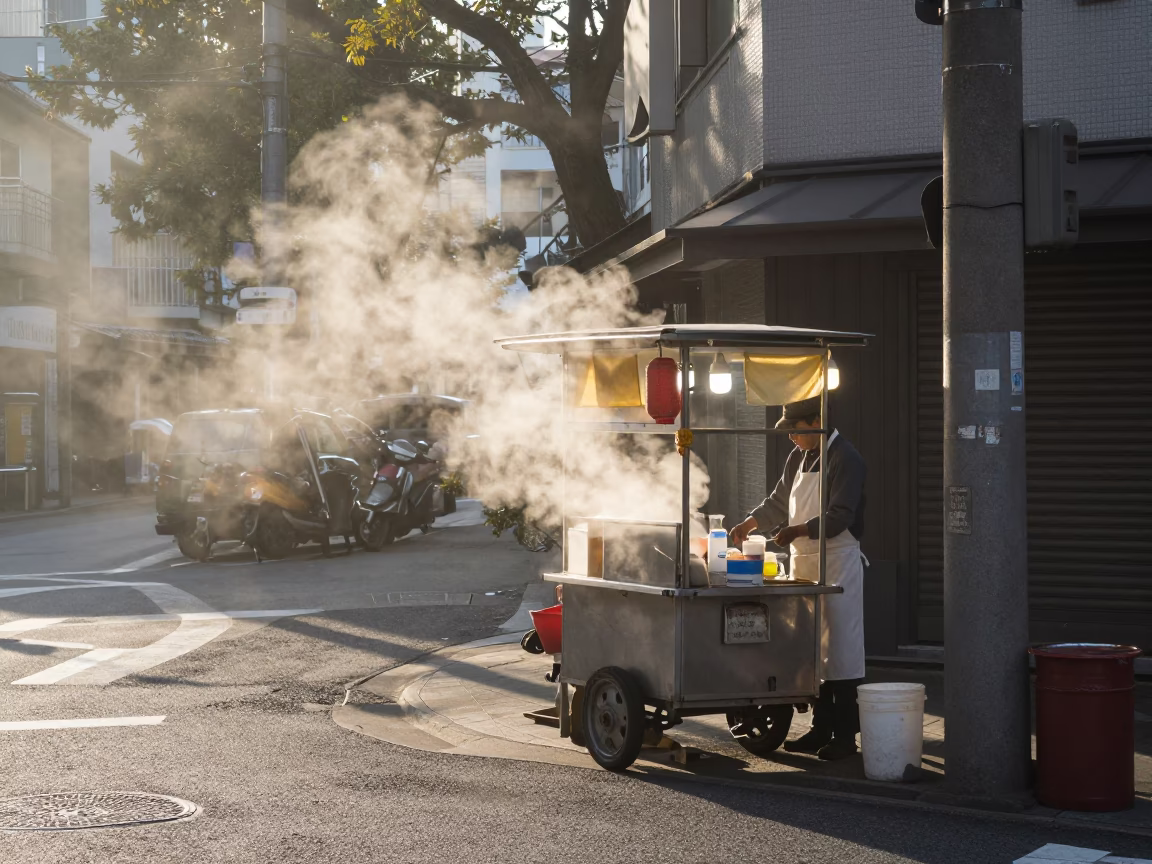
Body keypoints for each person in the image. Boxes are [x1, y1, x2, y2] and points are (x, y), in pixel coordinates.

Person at [731, 395, 867, 761]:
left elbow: (839, 516)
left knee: (840, 651)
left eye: (794, 432)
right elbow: (778, 500)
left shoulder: (846, 458)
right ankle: (820, 729)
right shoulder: (799, 456)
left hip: (837, 564)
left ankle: (845, 739)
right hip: (805, 564)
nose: (791, 439)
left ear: (813, 424)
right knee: (811, 650)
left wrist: (796, 531)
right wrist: (750, 521)